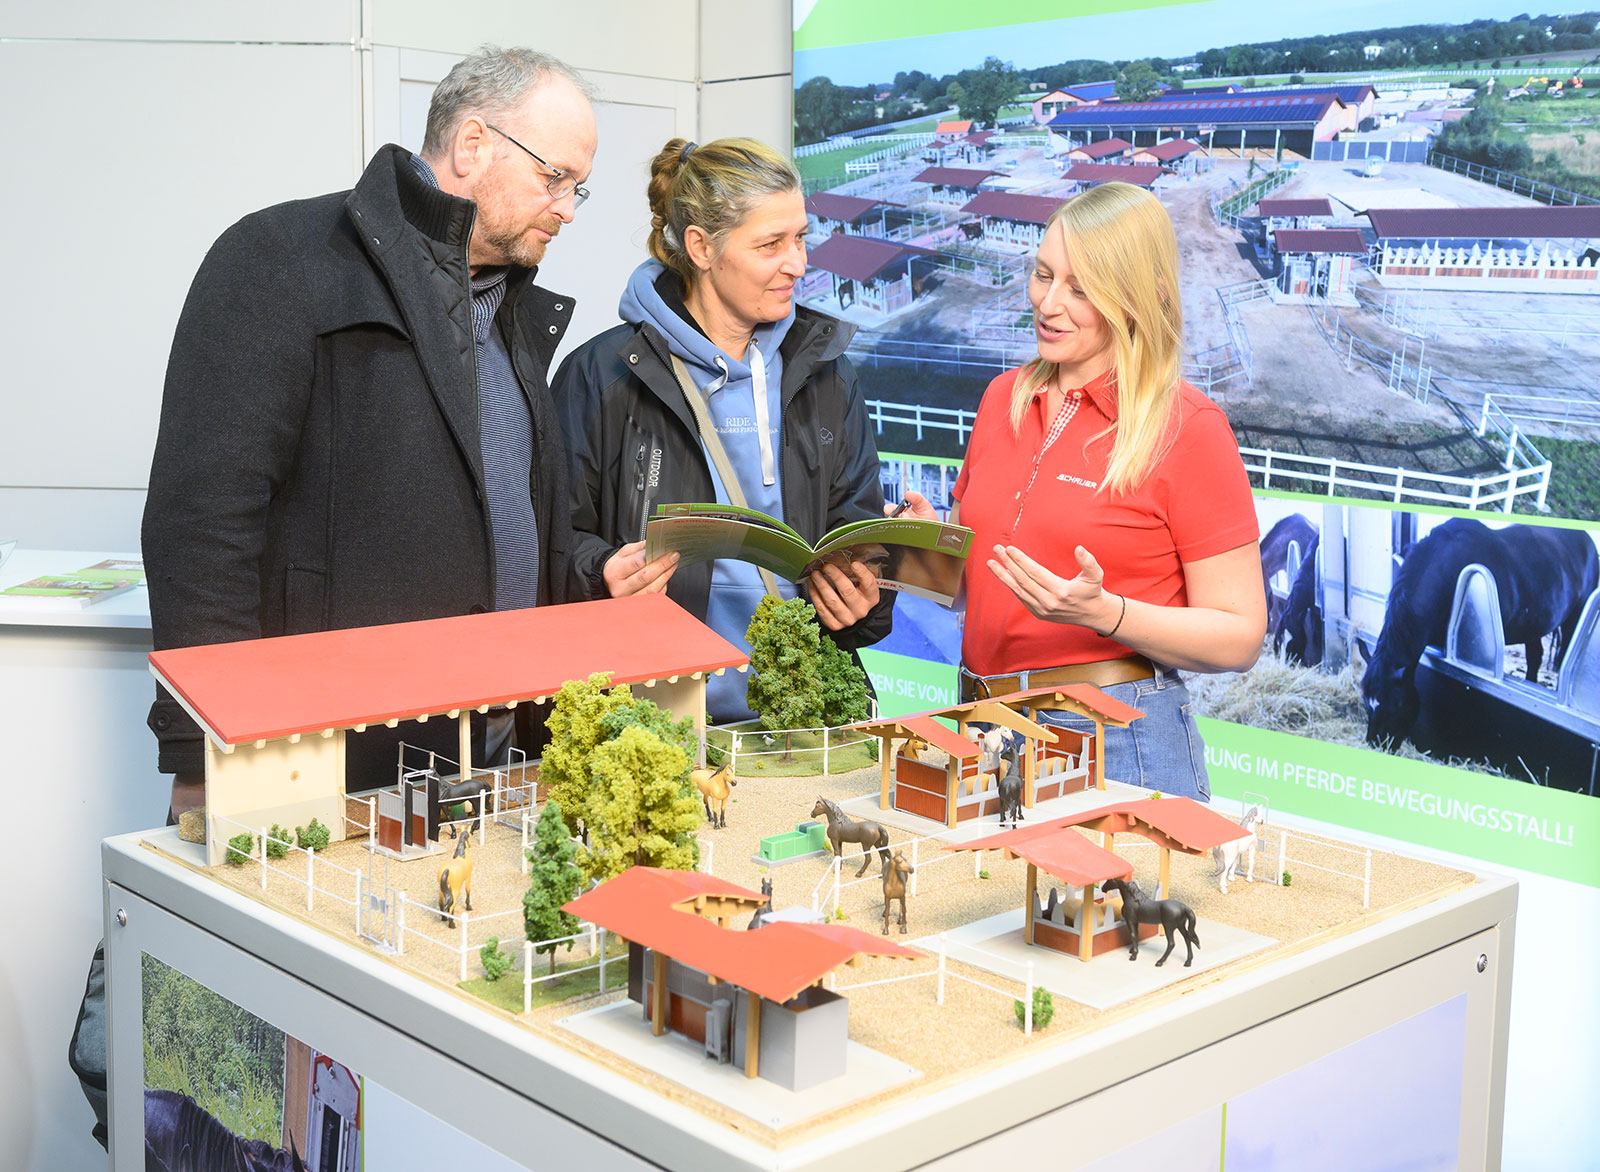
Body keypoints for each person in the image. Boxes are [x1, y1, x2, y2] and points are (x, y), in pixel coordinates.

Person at [72, 46, 598, 1148]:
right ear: (471, 146)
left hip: (475, 783)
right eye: (557, 177)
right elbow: (202, 525)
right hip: (312, 774)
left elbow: (504, 531)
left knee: (394, 1111)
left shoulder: (509, 317)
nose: (569, 206)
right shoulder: (280, 260)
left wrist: (590, 579)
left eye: (576, 187)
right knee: (240, 1103)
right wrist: (204, 758)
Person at [898, 182, 1265, 799]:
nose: (1049, 303)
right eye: (1044, 275)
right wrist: (915, 546)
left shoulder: (1188, 428)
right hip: (983, 725)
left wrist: (1106, 614)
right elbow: (967, 590)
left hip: (1112, 738)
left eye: (1081, 288)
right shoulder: (1001, 399)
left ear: (1136, 299)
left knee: (1116, 902)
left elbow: (1240, 636)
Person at [554, 137, 893, 722]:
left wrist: (865, 591)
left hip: (800, 719)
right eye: (770, 244)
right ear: (700, 247)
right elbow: (553, 545)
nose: (799, 263)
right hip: (655, 722)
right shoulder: (601, 376)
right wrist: (598, 576)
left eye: (801, 237)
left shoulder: (828, 372)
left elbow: (856, 529)